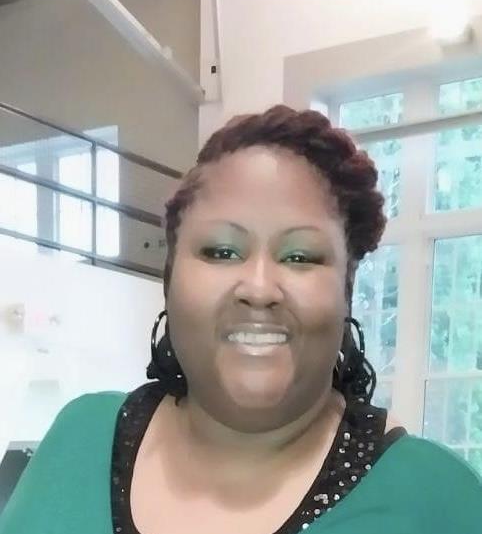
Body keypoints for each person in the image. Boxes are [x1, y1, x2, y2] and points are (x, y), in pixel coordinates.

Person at [1, 105, 480, 534]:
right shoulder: (80, 435)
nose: (258, 288)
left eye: (300, 257)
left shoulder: (436, 498)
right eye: (221, 251)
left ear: (346, 291)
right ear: (170, 277)